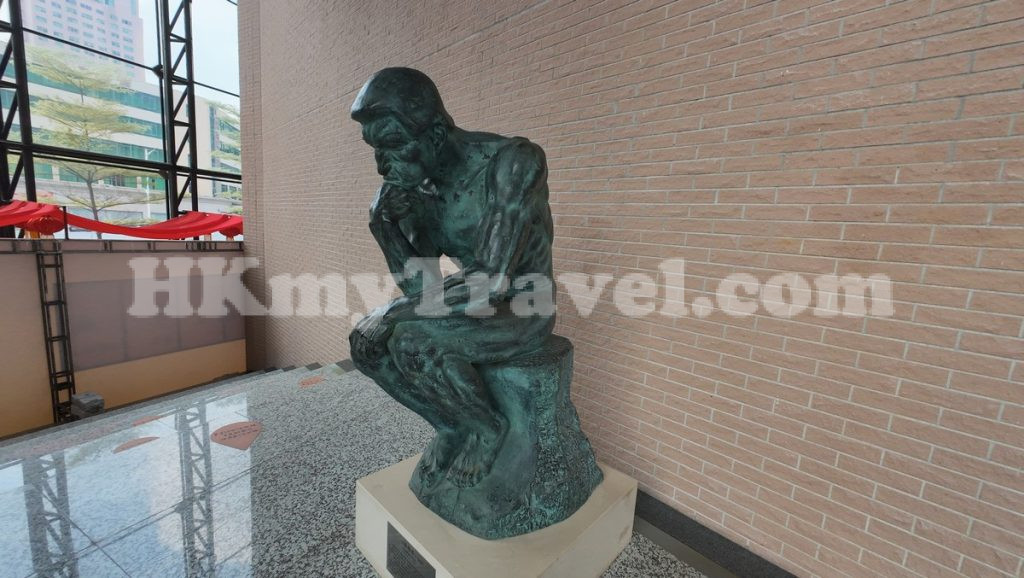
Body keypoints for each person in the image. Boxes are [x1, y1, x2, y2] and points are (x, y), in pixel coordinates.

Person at [348, 68, 556, 488]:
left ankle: (487, 430)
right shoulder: (418, 187)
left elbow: (492, 282)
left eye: (392, 145)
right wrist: (383, 228)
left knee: (410, 340)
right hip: (473, 308)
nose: (381, 165)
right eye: (374, 149)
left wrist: (392, 313)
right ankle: (450, 425)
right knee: (365, 345)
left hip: (524, 306)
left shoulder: (513, 162)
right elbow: (421, 290)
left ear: (436, 133)